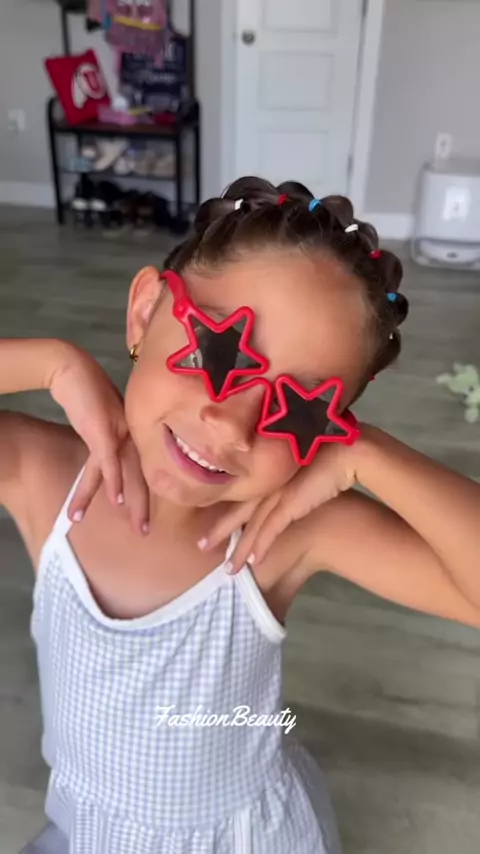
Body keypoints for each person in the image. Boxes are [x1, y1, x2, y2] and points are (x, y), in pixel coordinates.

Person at [2, 178, 480, 854]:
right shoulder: (41, 474)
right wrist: (52, 363)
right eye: (216, 353)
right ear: (145, 311)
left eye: (301, 409)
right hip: (94, 826)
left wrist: (368, 455)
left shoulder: (286, 533)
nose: (232, 427)